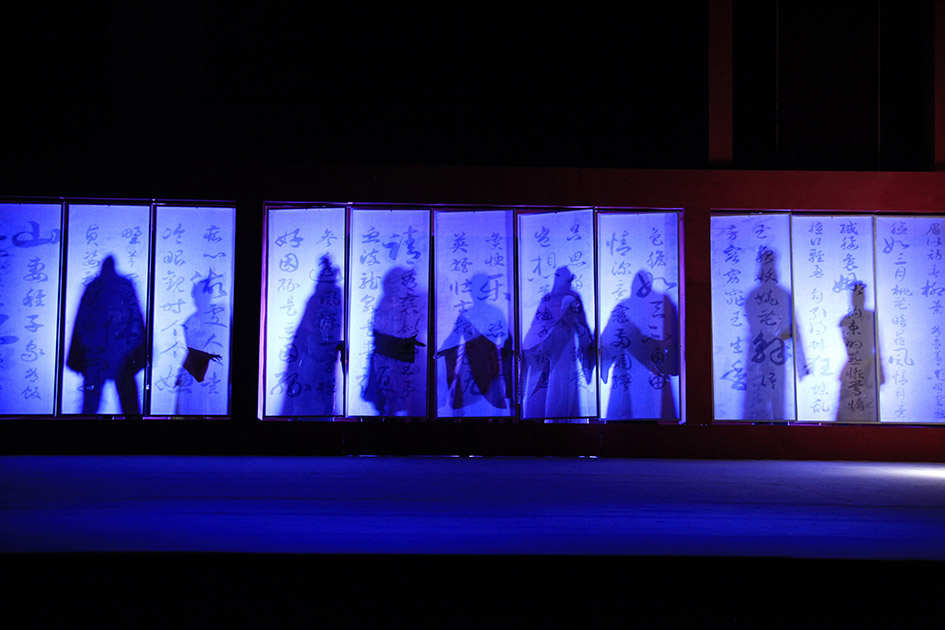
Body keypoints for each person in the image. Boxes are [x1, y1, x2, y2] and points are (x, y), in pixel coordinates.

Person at [67, 256, 146, 417]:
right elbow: (136, 318)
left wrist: (76, 353)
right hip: (120, 352)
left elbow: (81, 321)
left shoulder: (94, 287)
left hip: (99, 353)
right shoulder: (123, 285)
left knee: (93, 403)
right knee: (128, 402)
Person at [600, 270, 680, 420]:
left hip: (652, 371)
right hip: (634, 370)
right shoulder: (661, 302)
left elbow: (607, 341)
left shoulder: (663, 302)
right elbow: (608, 341)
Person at [521, 266, 595, 420]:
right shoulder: (548, 301)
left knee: (572, 401)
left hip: (572, 358)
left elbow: (584, 329)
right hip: (552, 359)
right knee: (554, 398)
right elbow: (536, 330)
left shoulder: (573, 299)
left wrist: (590, 350)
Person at [436, 272, 512, 415]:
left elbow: (507, 341)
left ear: (488, 290)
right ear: (471, 291)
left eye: (483, 287)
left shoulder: (496, 313)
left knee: (491, 410)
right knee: (468, 410)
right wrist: (438, 352)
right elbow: (453, 339)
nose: (480, 291)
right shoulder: (466, 314)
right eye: (477, 288)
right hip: (469, 366)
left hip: (490, 365)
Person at [280, 255, 344, 417]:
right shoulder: (315, 300)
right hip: (313, 352)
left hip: (327, 355)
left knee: (323, 398)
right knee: (307, 397)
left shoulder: (337, 298)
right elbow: (304, 329)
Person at [361, 267, 427, 416]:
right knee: (385, 402)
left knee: (410, 401)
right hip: (386, 357)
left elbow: (416, 328)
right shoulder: (383, 304)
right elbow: (378, 330)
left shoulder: (411, 303)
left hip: (404, 357)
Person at [174, 271, 225, 415]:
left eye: (201, 294)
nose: (197, 298)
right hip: (193, 370)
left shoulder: (219, 319)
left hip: (210, 371)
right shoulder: (191, 320)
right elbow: (190, 349)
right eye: (196, 294)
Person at [837, 282, 882, 422]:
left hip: (869, 366)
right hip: (853, 367)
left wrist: (879, 370)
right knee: (848, 409)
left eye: (860, 296)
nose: (858, 299)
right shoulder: (846, 321)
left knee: (868, 407)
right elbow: (847, 344)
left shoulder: (871, 318)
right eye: (856, 296)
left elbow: (878, 345)